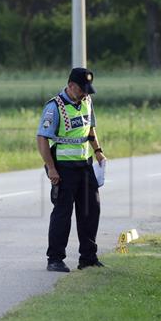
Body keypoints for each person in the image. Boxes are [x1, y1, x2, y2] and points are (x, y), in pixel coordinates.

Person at [36, 67, 107, 272]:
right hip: (63, 169)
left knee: (91, 211)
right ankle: (55, 259)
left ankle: (88, 258)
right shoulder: (54, 107)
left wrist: (98, 151)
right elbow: (42, 138)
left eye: (87, 89)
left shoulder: (86, 101)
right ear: (71, 86)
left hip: (85, 166)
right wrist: (51, 168)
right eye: (82, 89)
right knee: (62, 214)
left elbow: (90, 129)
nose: (85, 93)